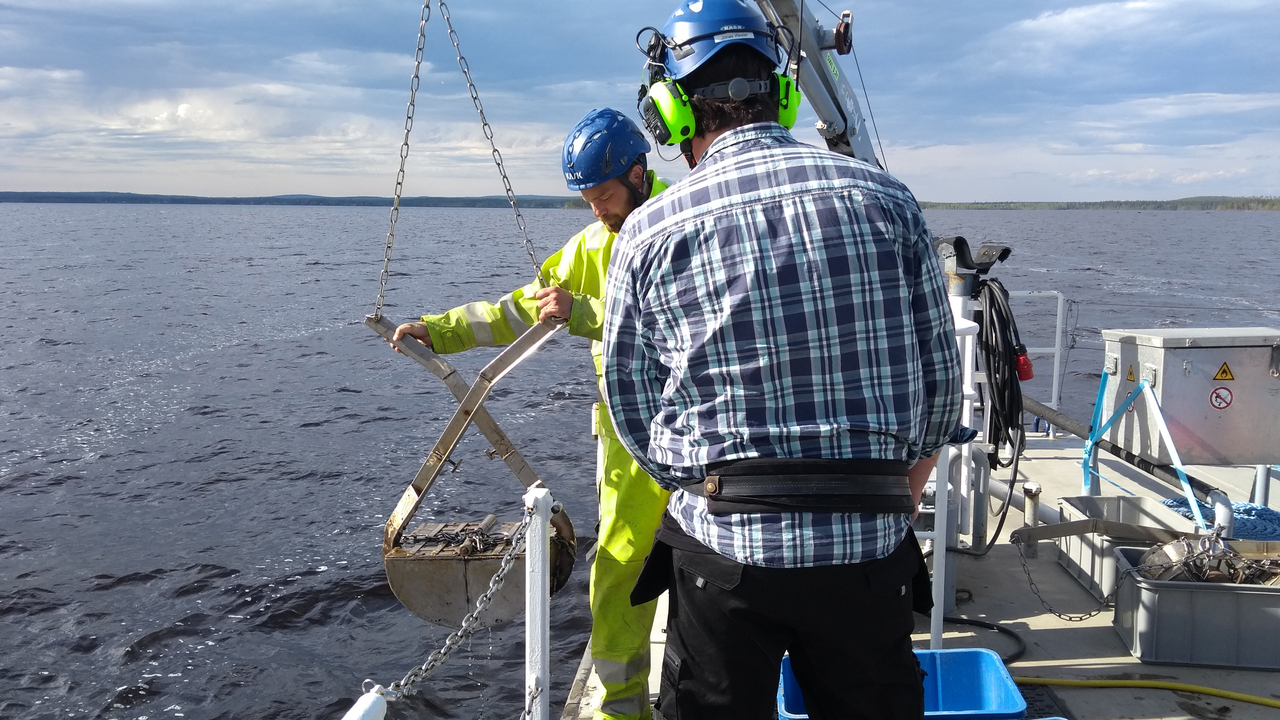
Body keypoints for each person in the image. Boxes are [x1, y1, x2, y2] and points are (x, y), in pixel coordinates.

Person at [601, 2, 963, 719]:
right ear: (785, 92)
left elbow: (632, 405)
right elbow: (942, 386)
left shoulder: (648, 232)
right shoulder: (889, 200)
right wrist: (898, 479)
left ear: (670, 110)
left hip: (723, 554)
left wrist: (700, 480)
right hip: (867, 550)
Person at [390, 108, 671, 720]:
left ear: (639, 173)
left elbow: (682, 321)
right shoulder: (589, 246)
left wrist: (586, 312)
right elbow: (520, 309)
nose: (597, 210)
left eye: (604, 196)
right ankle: (623, 710)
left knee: (720, 568)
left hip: (707, 427)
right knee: (620, 569)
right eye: (588, 200)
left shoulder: (690, 218)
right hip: (631, 440)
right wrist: (437, 332)